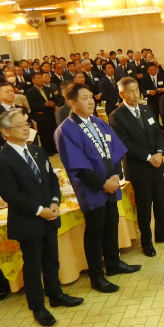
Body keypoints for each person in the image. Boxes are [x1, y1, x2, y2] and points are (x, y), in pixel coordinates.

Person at [0, 109, 83, 327]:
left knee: (52, 259)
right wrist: (39, 210)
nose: (26, 129)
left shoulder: (37, 151)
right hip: (29, 220)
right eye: (20, 126)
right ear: (5, 132)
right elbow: (11, 194)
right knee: (33, 266)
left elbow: (52, 179)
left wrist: (54, 202)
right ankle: (38, 307)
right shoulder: (1, 160)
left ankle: (56, 295)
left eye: (26, 124)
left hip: (49, 215)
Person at [55, 84, 140, 293]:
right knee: (95, 232)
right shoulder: (66, 130)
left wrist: (116, 175)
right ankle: (96, 276)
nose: (91, 101)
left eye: (91, 97)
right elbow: (77, 165)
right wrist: (103, 184)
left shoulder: (99, 122)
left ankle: (113, 263)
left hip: (111, 183)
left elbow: (115, 150)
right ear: (72, 103)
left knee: (111, 224)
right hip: (91, 188)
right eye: (84, 98)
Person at [109, 77, 164, 256]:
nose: (135, 94)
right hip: (139, 168)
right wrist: (149, 157)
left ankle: (162, 233)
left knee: (161, 202)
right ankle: (146, 242)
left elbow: (157, 133)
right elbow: (124, 143)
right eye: (131, 91)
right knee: (144, 207)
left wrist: (159, 152)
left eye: (137, 90)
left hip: (156, 164)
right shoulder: (117, 116)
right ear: (122, 94)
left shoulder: (146, 109)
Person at [26, 71, 61, 155]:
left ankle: (54, 147)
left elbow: (54, 98)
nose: (40, 80)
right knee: (44, 133)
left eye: (41, 78)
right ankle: (47, 150)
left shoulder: (47, 88)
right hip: (41, 115)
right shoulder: (30, 91)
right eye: (37, 78)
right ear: (33, 80)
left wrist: (53, 103)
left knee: (53, 131)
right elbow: (31, 104)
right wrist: (44, 104)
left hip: (51, 113)